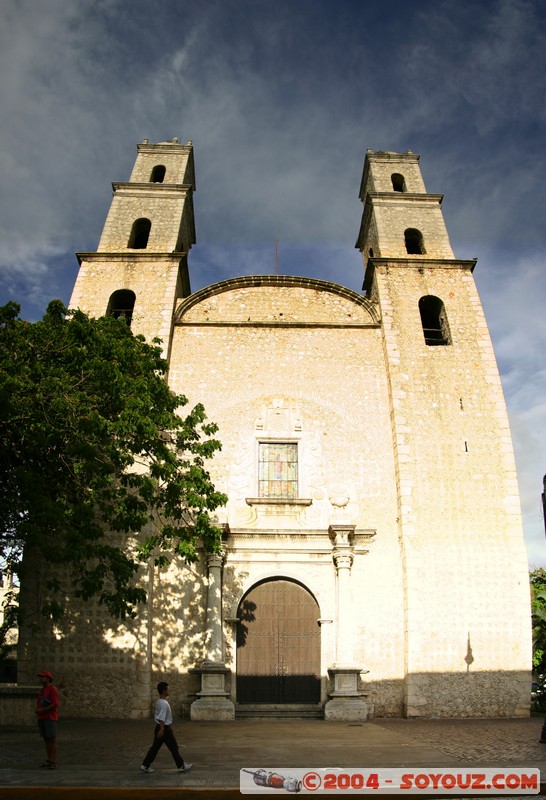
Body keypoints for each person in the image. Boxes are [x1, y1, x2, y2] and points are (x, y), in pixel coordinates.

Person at [140, 681, 192, 774]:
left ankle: (145, 765)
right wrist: (162, 729)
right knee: (174, 747)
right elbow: (161, 717)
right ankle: (181, 766)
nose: (169, 690)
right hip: (164, 729)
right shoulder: (164, 703)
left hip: (160, 728)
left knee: (155, 748)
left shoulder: (159, 701)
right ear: (163, 691)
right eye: (168, 689)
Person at [35, 670, 60, 770]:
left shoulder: (52, 689)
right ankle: (49, 759)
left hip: (50, 717)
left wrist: (42, 710)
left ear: (48, 679)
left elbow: (55, 704)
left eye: (43, 677)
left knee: (52, 740)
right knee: (46, 739)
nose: (41, 678)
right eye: (40, 677)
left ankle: (53, 761)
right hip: (42, 717)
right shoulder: (42, 690)